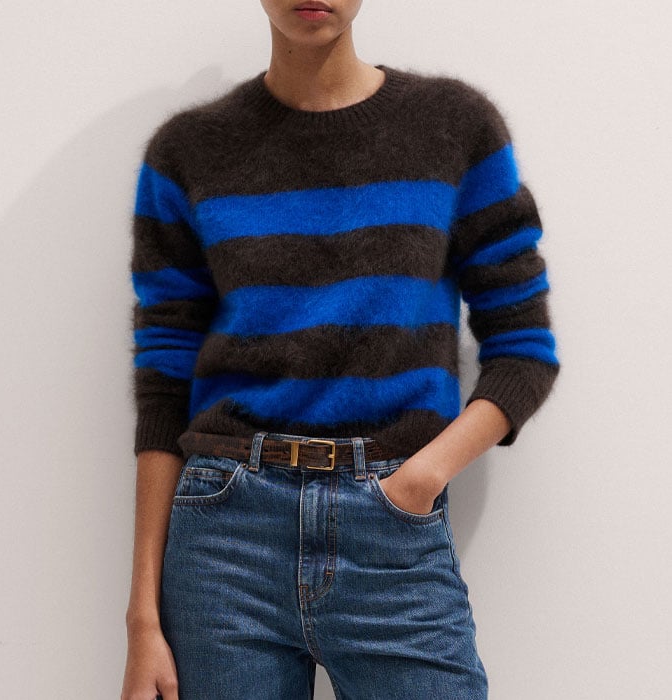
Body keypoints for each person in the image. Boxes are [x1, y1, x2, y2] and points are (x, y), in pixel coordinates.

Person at [120, 1, 560, 698]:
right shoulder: (189, 151)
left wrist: (419, 478)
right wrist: (142, 618)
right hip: (225, 543)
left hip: (392, 527)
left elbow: (524, 347)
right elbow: (163, 384)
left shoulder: (452, 128)